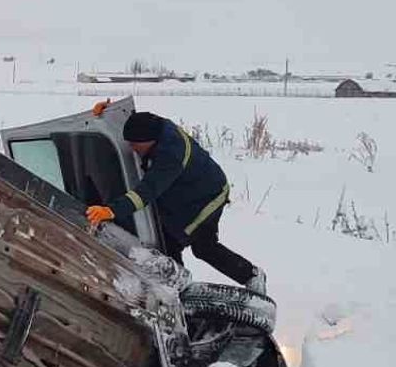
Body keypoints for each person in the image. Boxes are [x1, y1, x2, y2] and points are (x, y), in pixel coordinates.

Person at [84, 104, 266, 294]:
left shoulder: (171, 154)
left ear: (149, 141)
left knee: (198, 245)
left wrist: (111, 210)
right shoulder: (155, 127)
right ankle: (175, 287)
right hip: (183, 191)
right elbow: (135, 119)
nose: (131, 148)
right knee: (165, 236)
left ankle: (250, 275)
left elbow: (146, 192)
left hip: (207, 195)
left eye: (134, 144)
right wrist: (105, 114)